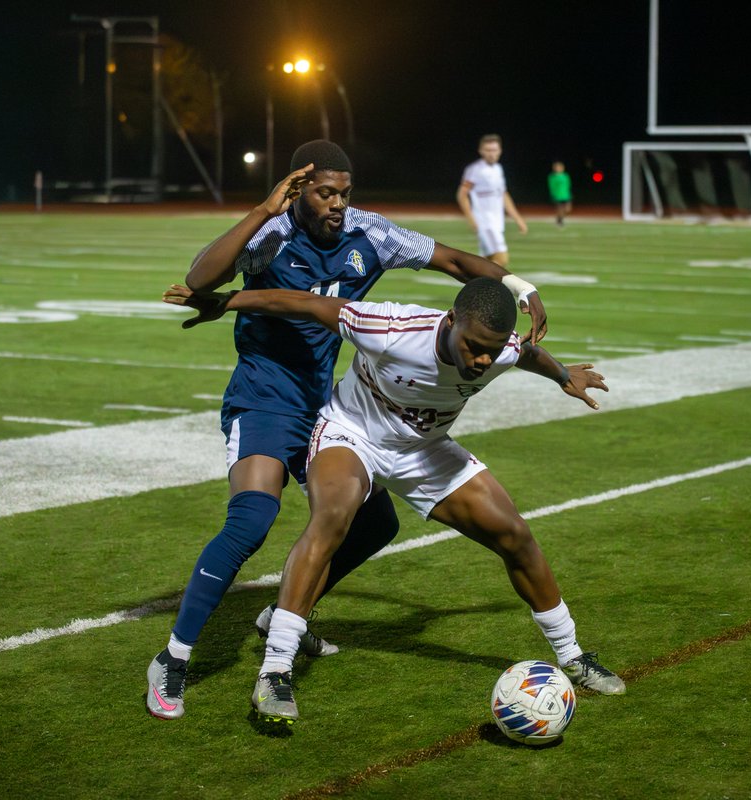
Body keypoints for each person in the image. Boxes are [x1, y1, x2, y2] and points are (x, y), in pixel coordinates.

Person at [145, 139, 550, 721]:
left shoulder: (371, 234)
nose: (338, 203)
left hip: (329, 407)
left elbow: (459, 263)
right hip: (264, 399)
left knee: (376, 522)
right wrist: (264, 209)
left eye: (344, 192)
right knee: (253, 519)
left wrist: (520, 286)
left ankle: (289, 614)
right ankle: (173, 658)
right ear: (298, 189)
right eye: (325, 192)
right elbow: (201, 277)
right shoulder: (273, 232)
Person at [162, 277, 625, 724]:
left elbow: (525, 353)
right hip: (352, 434)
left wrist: (564, 375)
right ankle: (275, 669)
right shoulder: (390, 328)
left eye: (492, 348)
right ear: (450, 321)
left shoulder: (499, 347)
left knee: (515, 535)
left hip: (423, 449)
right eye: (474, 346)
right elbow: (303, 304)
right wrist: (227, 301)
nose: (483, 359)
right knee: (333, 519)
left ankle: (574, 657)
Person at [456, 134, 528, 267]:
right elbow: (462, 195)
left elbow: (503, 195)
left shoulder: (498, 169)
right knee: (501, 259)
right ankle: (480, 285)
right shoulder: (475, 170)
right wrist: (472, 219)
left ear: (500, 151)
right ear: (481, 151)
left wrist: (518, 218)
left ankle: (476, 285)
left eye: (494, 150)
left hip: (497, 222)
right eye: (488, 150)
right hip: (485, 222)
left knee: (486, 261)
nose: (491, 153)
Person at [548, 161, 573, 227]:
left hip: (566, 195)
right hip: (557, 196)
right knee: (560, 209)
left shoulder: (566, 176)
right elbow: (551, 186)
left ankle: (559, 219)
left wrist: (569, 193)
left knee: (568, 209)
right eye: (556, 168)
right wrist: (553, 194)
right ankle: (560, 221)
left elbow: (568, 185)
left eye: (559, 167)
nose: (558, 169)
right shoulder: (552, 177)